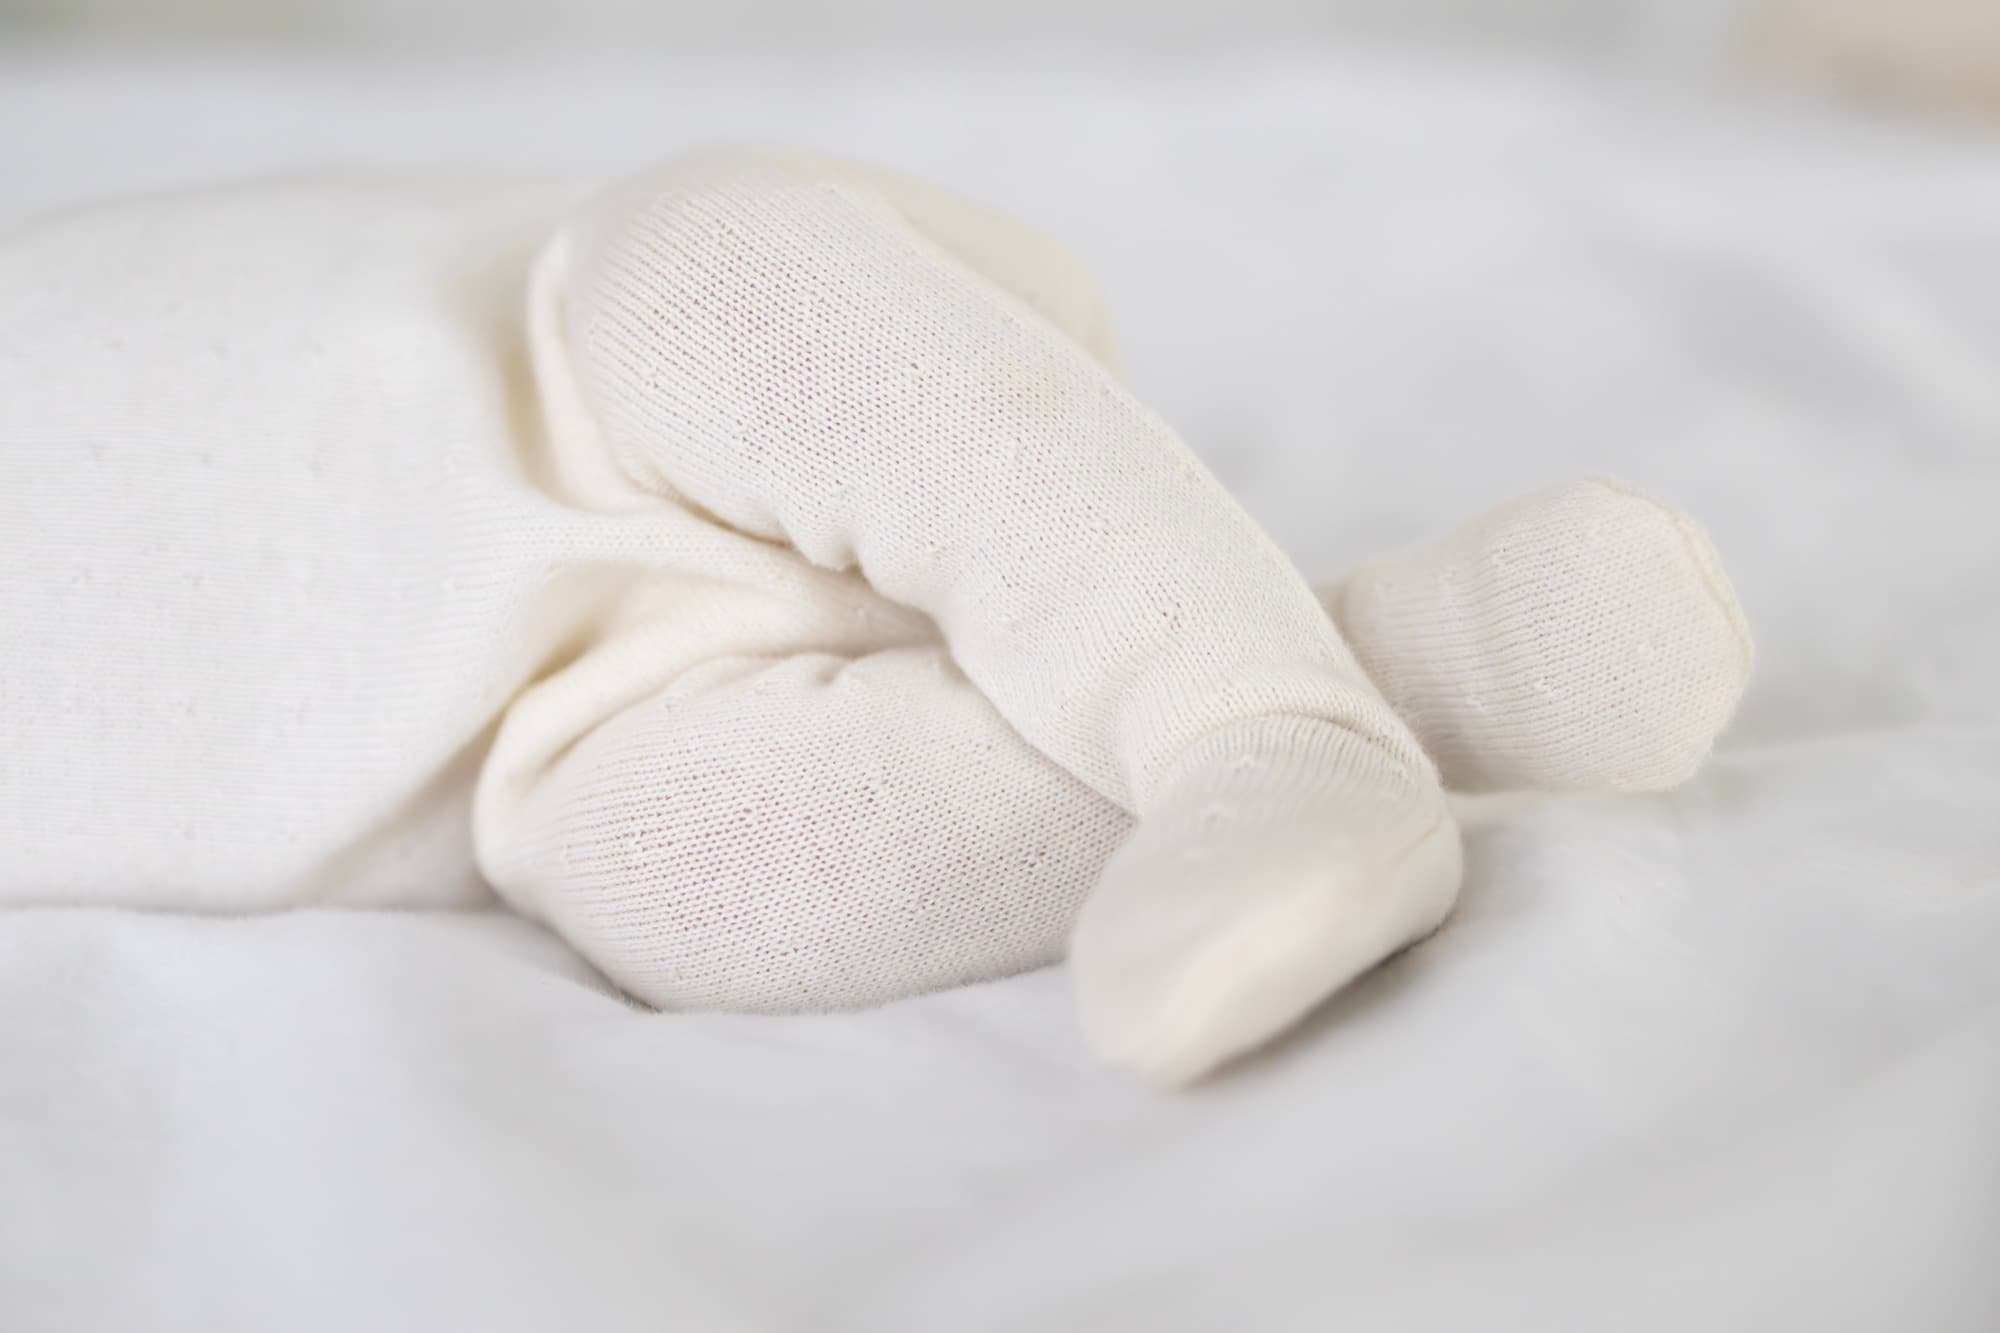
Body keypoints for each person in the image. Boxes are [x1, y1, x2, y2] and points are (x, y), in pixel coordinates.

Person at [0, 146, 1750, 1083]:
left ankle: (1239, 714)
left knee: (703, 276)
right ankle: (1394, 681)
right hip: (544, 743)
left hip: (594, 365)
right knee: (686, 890)